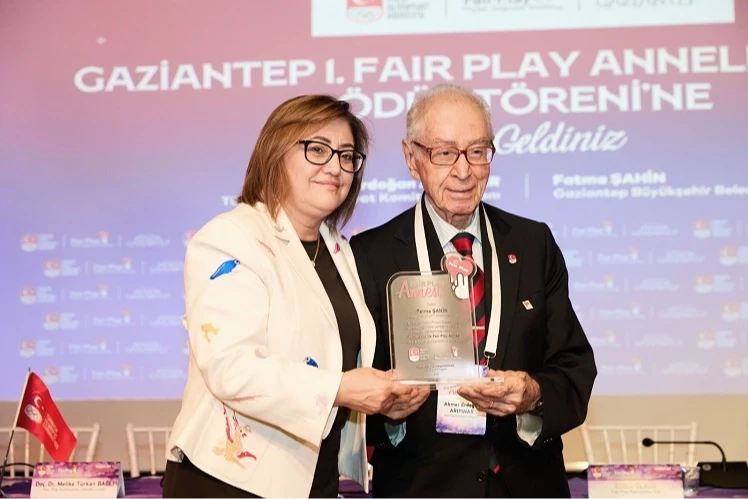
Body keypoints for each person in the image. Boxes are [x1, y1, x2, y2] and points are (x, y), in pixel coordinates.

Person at [163, 95, 427, 499]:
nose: (335, 167)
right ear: (275, 153)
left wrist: (381, 401)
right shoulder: (230, 237)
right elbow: (232, 367)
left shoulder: (339, 251)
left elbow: (336, 362)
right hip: (229, 481)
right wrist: (340, 389)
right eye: (317, 150)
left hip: (313, 479)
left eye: (347, 156)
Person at [350, 84, 597, 499]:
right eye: (445, 153)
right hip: (422, 487)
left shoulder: (533, 244)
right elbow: (349, 388)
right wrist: (389, 415)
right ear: (412, 158)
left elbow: (574, 367)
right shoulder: (369, 256)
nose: (464, 171)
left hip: (528, 486)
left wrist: (532, 396)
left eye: (478, 151)